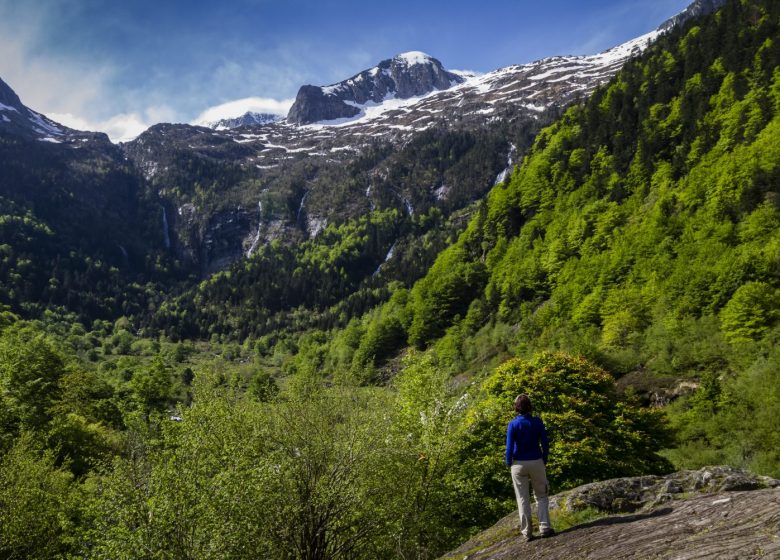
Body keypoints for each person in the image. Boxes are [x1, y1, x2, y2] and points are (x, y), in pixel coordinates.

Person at [505, 393, 554, 542]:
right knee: (541, 495)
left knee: (522, 499)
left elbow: (509, 448)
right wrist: (544, 459)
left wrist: (509, 463)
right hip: (536, 461)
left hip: (518, 463)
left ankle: (527, 532)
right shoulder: (537, 422)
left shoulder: (513, 424)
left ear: (516, 407)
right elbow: (545, 443)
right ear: (530, 406)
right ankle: (545, 528)